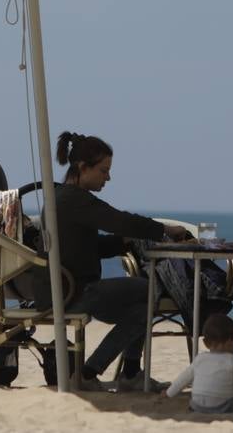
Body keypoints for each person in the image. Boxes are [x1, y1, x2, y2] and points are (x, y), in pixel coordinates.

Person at [50, 130, 190, 392]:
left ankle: (126, 373)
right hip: (74, 292)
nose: (108, 177)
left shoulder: (63, 198)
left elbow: (91, 248)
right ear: (83, 167)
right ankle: (93, 373)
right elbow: (120, 219)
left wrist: (123, 241)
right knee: (149, 289)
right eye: (103, 171)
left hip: (71, 288)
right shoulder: (75, 200)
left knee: (141, 308)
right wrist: (163, 230)